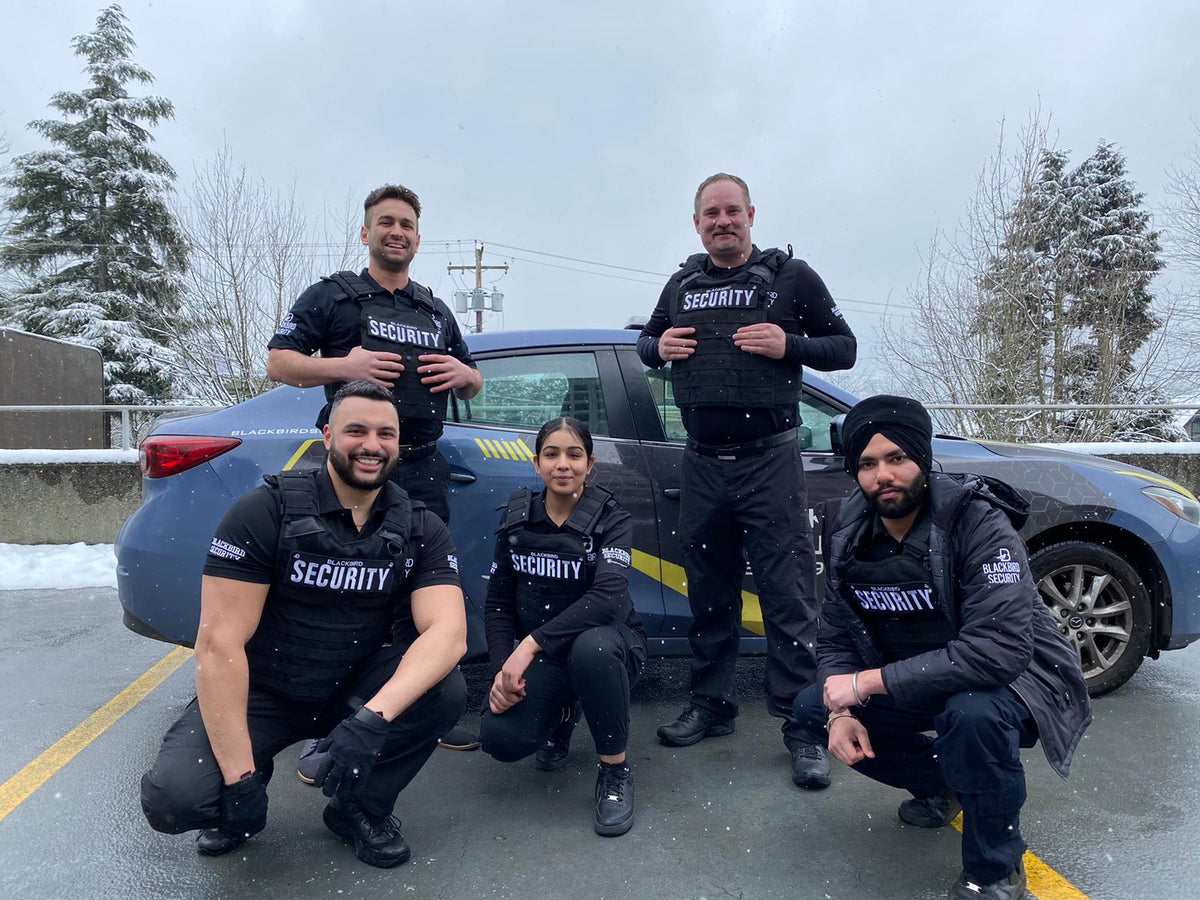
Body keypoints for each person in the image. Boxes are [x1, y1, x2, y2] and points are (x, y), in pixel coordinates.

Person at [140, 381, 468, 868]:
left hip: (354, 686)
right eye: (356, 430)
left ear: (399, 444)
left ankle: (358, 808)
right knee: (176, 800)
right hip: (265, 688)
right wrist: (240, 778)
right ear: (327, 435)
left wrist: (373, 719)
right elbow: (218, 644)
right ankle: (246, 785)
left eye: (386, 434)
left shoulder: (420, 525)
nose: (372, 445)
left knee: (445, 690)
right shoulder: (264, 511)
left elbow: (448, 633)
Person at [792, 395, 1092, 900]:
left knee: (972, 718)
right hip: (922, 675)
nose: (883, 475)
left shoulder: (978, 524)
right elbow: (837, 636)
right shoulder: (847, 530)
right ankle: (944, 786)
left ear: (923, 460)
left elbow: (997, 649)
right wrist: (840, 710)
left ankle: (995, 870)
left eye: (897, 458)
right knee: (809, 708)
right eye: (867, 464)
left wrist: (867, 683)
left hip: (1012, 678)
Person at [638, 172, 856, 786]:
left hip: (770, 461)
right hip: (702, 460)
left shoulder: (793, 278)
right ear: (697, 222)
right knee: (708, 590)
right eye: (711, 213)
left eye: (732, 211)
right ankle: (711, 704)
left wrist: (789, 343)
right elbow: (646, 344)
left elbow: (845, 347)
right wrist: (660, 349)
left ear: (751, 215)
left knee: (789, 596)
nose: (722, 221)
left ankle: (802, 726)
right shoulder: (681, 282)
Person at [266, 182, 481, 757]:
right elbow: (278, 361)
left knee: (424, 590)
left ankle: (422, 709)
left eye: (407, 224)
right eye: (386, 222)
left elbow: (475, 373)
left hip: (423, 467)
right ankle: (336, 724)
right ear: (366, 233)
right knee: (345, 593)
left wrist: (466, 377)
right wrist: (345, 364)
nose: (397, 232)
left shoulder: (434, 309)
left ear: (417, 237)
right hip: (353, 473)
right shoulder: (332, 297)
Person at [479, 417, 647, 837]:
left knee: (592, 649)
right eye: (551, 454)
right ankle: (562, 715)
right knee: (500, 739)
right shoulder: (517, 521)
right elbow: (498, 603)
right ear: (537, 464)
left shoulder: (613, 519)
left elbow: (607, 599)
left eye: (574, 455)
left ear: (590, 465)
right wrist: (504, 669)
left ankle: (614, 769)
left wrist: (530, 644)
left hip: (610, 648)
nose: (562, 464)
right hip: (550, 656)